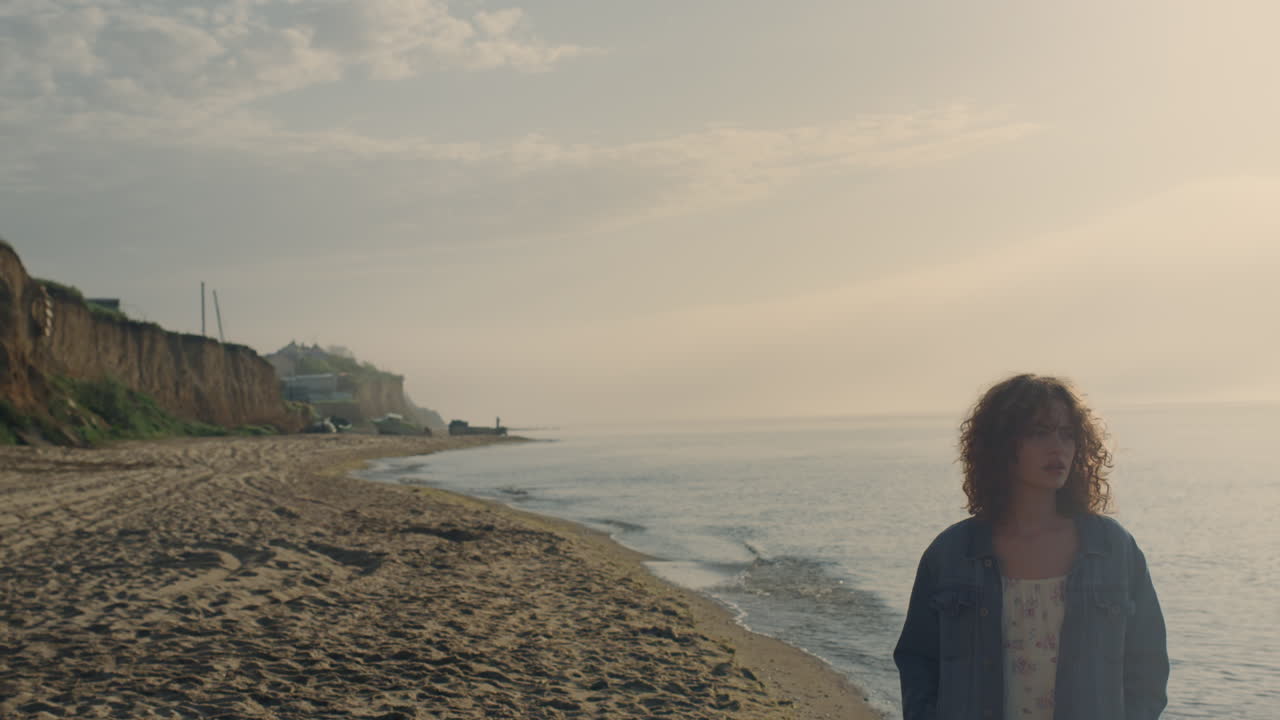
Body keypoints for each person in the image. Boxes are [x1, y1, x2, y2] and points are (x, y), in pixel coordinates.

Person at [894, 374, 1168, 720]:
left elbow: (1148, 667)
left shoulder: (1113, 549)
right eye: (1039, 433)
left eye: (1067, 434)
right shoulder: (951, 554)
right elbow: (918, 663)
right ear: (1001, 445)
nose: (1058, 448)